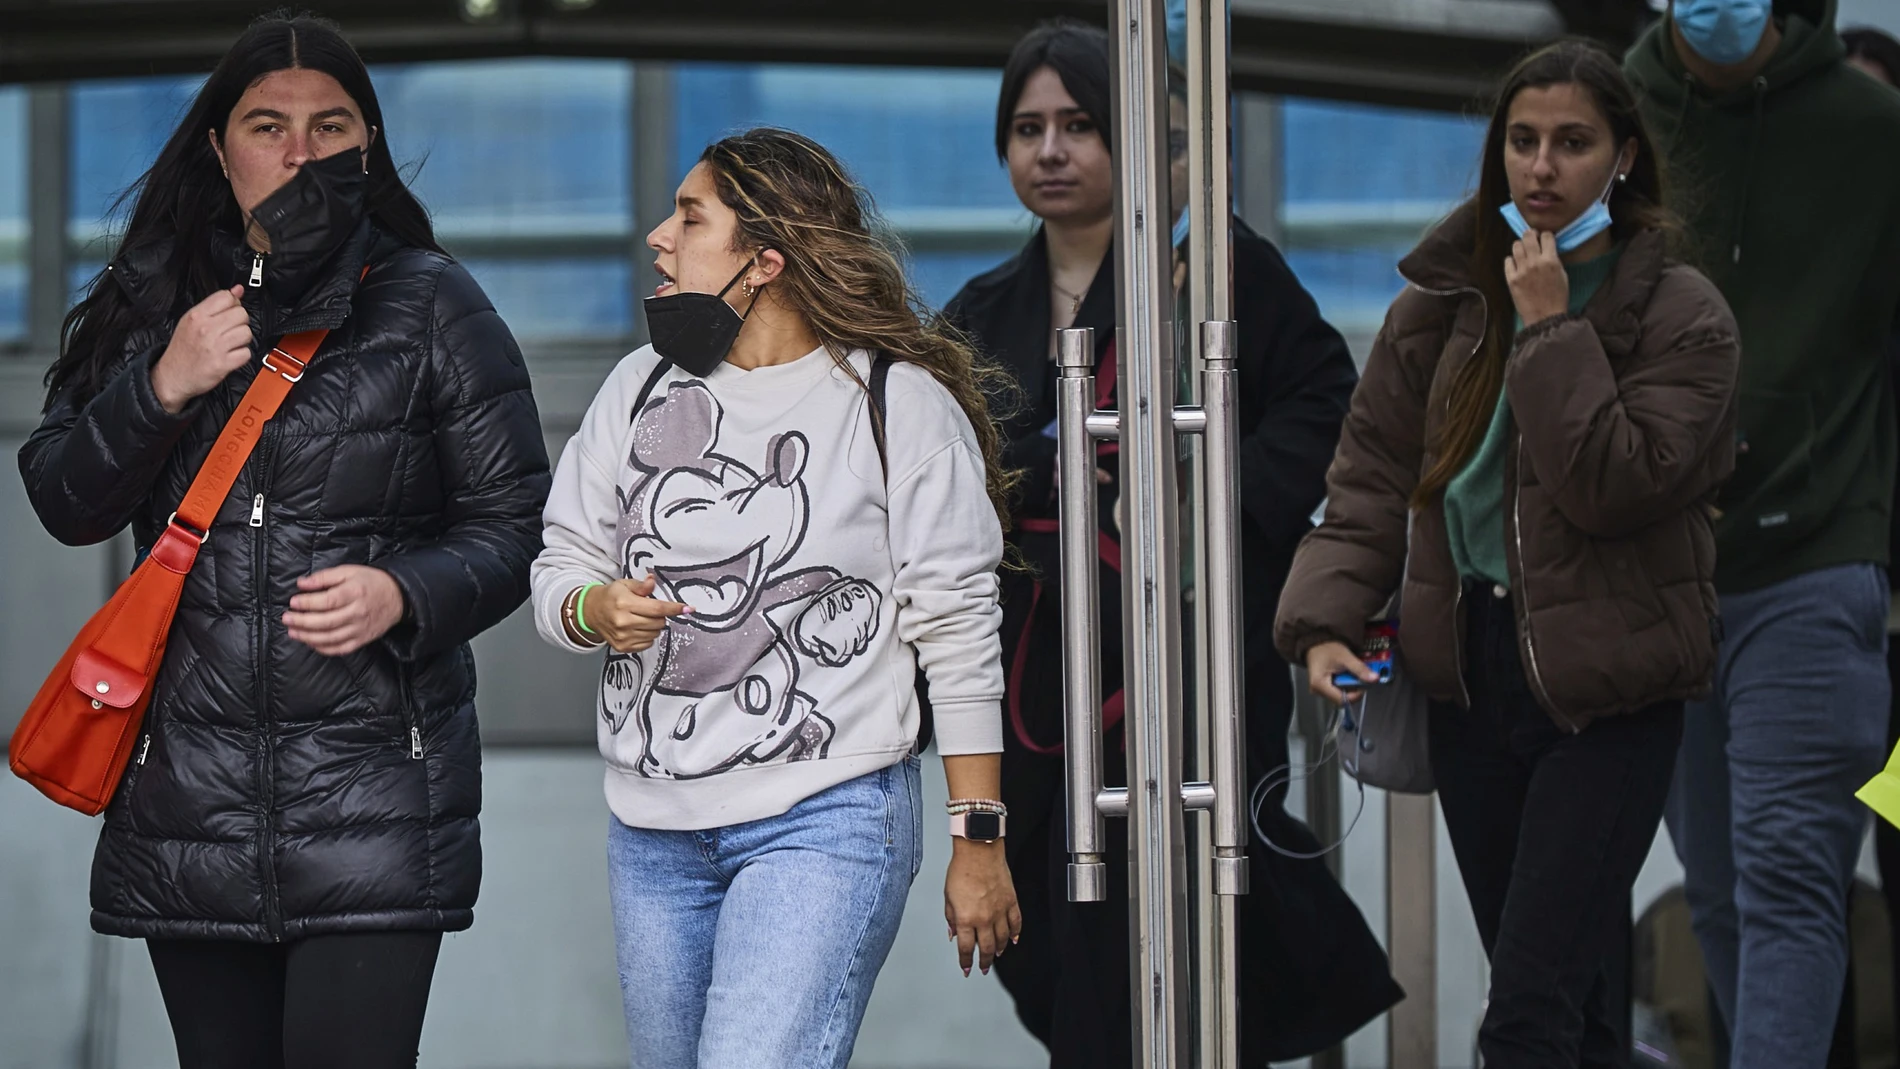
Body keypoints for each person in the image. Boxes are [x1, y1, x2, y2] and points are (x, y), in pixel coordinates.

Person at [16, 14, 549, 1069]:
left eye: (330, 126)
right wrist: (162, 382)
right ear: (219, 149)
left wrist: (405, 592)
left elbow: (515, 524)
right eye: (269, 125)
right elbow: (65, 499)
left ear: (369, 144)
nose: (300, 152)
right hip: (190, 811)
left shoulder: (433, 302)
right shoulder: (151, 303)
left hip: (376, 803)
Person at [1277, 38, 1742, 1068]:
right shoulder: (1444, 298)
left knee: (1522, 1014)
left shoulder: (1682, 316)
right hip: (1468, 680)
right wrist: (1321, 623)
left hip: (1608, 690)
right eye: (1522, 142)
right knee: (1567, 1014)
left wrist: (1547, 331)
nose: (1540, 167)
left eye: (1571, 143)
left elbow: (1612, 485)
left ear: (1622, 159)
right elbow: (1369, 477)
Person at [944, 21, 1399, 1067]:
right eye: (1027, 129)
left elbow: (1325, 405)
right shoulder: (977, 312)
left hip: (1192, 658)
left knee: (1204, 907)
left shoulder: (1223, 271)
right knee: (1056, 933)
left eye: (1079, 126)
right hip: (1039, 680)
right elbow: (939, 472)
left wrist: (1191, 490)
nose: (1050, 150)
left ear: (1135, 141)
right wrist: (1044, 473)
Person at [529, 127, 1020, 1069]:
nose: (656, 240)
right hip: (651, 831)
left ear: (765, 260)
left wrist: (978, 839)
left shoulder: (895, 405)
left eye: (688, 216)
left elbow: (958, 632)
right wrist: (595, 609)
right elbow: (558, 563)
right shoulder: (637, 389)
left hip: (826, 817)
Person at [1625, 3, 1900, 1065]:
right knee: (1723, 889)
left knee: (1791, 876)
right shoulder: (1605, 119)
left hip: (1817, 563)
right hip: (1655, 573)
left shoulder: (1869, 136)